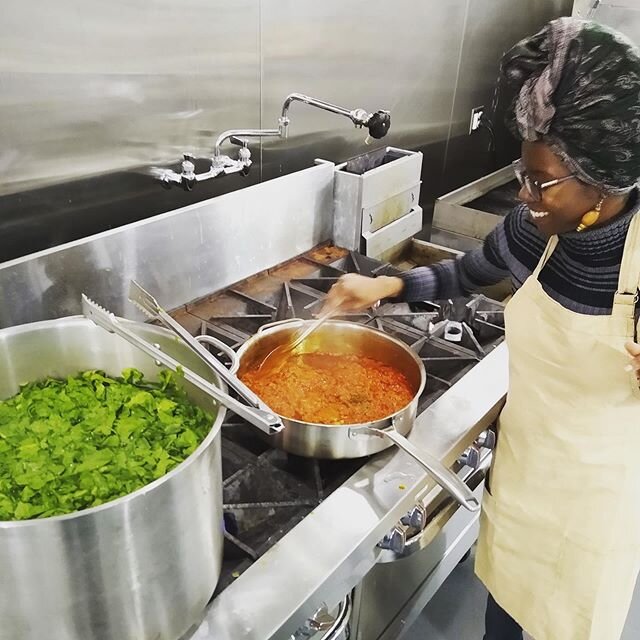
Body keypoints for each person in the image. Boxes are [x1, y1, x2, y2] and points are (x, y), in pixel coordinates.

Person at [324, 17, 640, 640]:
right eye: (522, 174)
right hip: (522, 471)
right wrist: (386, 285)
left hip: (591, 504)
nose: (525, 195)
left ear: (603, 181)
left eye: (541, 181)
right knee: (501, 619)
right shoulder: (543, 223)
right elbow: (474, 269)